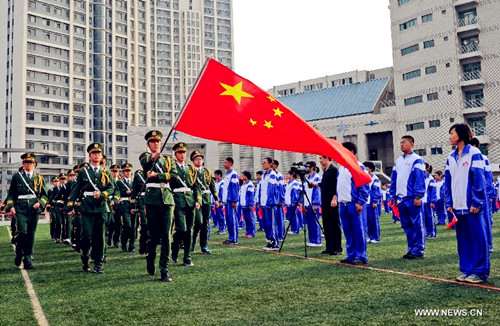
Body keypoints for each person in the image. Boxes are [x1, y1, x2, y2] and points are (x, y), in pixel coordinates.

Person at [445, 123, 490, 283]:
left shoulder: (474, 153)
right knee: (463, 241)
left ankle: (479, 272)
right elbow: (448, 182)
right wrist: (449, 202)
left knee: (478, 238)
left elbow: (478, 180)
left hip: (472, 207)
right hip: (458, 207)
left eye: (452, 133)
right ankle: (467, 269)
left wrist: (477, 202)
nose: (450, 136)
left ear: (461, 134)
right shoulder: (450, 157)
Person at [66, 144, 114, 274]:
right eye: (94, 153)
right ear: (90, 156)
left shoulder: (106, 172)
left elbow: (111, 188)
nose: (97, 155)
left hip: (102, 207)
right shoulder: (83, 172)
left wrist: (104, 194)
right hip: (87, 207)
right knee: (86, 235)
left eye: (99, 153)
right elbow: (76, 190)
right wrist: (70, 205)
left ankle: (98, 263)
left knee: (100, 237)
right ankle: (85, 259)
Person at [139, 130, 174, 282]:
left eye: (158, 141)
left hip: (167, 198)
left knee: (166, 235)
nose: (156, 144)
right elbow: (145, 164)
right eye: (153, 142)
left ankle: (164, 269)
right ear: (148, 144)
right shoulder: (145, 156)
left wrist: (157, 176)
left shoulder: (167, 160)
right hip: (152, 199)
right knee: (153, 235)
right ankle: (150, 257)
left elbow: (173, 175)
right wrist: (153, 158)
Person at [6, 153, 48, 270]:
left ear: (35, 165)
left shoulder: (39, 178)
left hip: (33, 209)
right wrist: (11, 206)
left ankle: (28, 259)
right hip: (20, 208)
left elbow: (45, 195)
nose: (28, 165)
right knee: (22, 232)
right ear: (23, 164)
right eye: (26, 162)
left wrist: (40, 203)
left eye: (31, 163)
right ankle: (19, 252)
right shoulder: (17, 177)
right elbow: (11, 194)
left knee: (30, 235)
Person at [390, 135, 426, 259]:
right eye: (400, 143)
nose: (401, 145)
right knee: (406, 225)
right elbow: (394, 179)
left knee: (416, 224)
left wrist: (418, 196)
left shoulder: (417, 160)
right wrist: (393, 196)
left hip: (412, 198)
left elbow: (420, 179)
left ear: (412, 144)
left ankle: (418, 249)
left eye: (404, 142)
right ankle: (411, 248)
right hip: (401, 199)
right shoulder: (398, 161)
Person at [336, 143, 370, 265]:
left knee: (358, 231)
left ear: (351, 152)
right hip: (344, 205)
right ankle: (351, 254)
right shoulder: (342, 168)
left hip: (354, 204)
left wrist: (360, 202)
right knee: (348, 231)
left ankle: (361, 256)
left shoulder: (358, 166)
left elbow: (364, 186)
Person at [170, 142, 201, 266]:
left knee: (189, 230)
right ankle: (175, 245)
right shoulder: (172, 168)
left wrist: (198, 200)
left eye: (184, 152)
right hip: (177, 201)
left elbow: (196, 186)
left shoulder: (191, 169)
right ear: (175, 154)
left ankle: (187, 257)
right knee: (181, 229)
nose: (182, 155)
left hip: (190, 201)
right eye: (179, 152)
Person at [191, 150, 219, 254]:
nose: (199, 161)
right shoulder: (191, 171)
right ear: (193, 161)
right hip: (195, 200)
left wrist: (216, 199)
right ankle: (192, 243)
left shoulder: (207, 171)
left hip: (206, 199)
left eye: (200, 159)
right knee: (197, 222)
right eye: (196, 159)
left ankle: (204, 245)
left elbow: (212, 186)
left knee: (205, 223)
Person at [471, 137, 494, 252]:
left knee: (485, 220)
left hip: (482, 195)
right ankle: (478, 245)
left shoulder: (482, 158)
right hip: (471, 195)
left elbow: (488, 177)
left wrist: (489, 194)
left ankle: (488, 245)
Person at [319, 156, 341, 255]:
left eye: (321, 158)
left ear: (327, 158)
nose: (320, 160)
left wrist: (334, 198)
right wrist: (315, 184)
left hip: (332, 201)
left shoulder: (333, 170)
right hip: (325, 200)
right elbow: (325, 184)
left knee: (334, 224)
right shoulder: (325, 171)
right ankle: (329, 247)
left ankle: (337, 247)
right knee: (327, 224)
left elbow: (336, 185)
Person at [258, 157, 279, 250]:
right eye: (263, 162)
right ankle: (269, 242)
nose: (263, 164)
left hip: (270, 204)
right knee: (266, 224)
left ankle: (274, 243)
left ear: (271, 164)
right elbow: (261, 190)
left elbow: (272, 190)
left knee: (271, 224)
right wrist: (260, 201)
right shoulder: (263, 175)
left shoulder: (272, 175)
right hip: (264, 203)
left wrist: (269, 202)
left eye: (265, 163)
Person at [116, 163, 136, 252]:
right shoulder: (119, 182)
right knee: (127, 225)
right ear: (123, 172)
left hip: (133, 204)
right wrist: (125, 191)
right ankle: (124, 243)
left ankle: (132, 245)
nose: (128, 173)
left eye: (129, 171)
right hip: (124, 204)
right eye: (126, 171)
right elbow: (117, 192)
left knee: (134, 226)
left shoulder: (134, 181)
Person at [303, 161, 322, 247]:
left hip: (313, 203)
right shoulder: (307, 178)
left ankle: (317, 240)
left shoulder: (317, 177)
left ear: (312, 167)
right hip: (307, 203)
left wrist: (316, 203)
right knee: (309, 223)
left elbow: (317, 191)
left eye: (308, 167)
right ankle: (312, 240)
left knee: (314, 222)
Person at [222, 157, 239, 245]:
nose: (224, 164)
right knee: (228, 220)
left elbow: (235, 188)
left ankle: (234, 238)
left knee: (233, 220)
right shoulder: (227, 174)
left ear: (230, 163)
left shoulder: (233, 174)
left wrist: (234, 200)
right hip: (227, 201)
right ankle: (230, 237)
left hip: (231, 201)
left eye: (225, 162)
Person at [363, 161, 381, 244]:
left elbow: (376, 191)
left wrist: (375, 201)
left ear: (370, 169)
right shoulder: (364, 177)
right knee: (367, 221)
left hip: (371, 202)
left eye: (365, 167)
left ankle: (376, 237)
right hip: (365, 203)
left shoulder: (375, 178)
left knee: (373, 220)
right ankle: (370, 236)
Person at [130, 169, 148, 254]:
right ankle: (143, 245)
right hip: (142, 202)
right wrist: (133, 206)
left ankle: (149, 244)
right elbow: (134, 191)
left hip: (154, 200)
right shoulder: (139, 175)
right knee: (144, 224)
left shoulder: (156, 172)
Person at [284, 170, 302, 235]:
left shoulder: (294, 182)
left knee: (294, 216)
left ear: (291, 175)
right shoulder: (289, 182)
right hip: (288, 202)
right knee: (290, 216)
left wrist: (294, 201)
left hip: (292, 202)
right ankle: (292, 228)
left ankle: (296, 230)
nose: (287, 175)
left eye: (288, 174)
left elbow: (295, 192)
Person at [239, 171, 256, 238]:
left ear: (246, 176)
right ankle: (248, 232)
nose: (242, 176)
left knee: (250, 219)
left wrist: (251, 204)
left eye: (243, 175)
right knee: (246, 219)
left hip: (248, 205)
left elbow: (251, 195)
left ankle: (252, 233)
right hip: (243, 205)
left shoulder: (250, 185)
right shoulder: (244, 184)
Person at [422, 163, 437, 239]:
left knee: (430, 217)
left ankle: (432, 233)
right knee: (424, 218)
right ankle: (426, 232)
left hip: (428, 201)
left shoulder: (430, 178)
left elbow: (433, 191)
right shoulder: (421, 178)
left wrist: (432, 201)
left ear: (427, 168)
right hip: (422, 201)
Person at [272, 160, 286, 240]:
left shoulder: (279, 175)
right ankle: (275, 235)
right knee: (274, 219)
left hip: (278, 201)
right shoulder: (270, 175)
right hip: (272, 201)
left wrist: (281, 199)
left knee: (279, 219)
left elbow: (281, 188)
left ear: (276, 166)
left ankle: (281, 235)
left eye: (273, 164)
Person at [214, 170, 226, 234]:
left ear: (219, 175)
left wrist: (220, 201)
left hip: (220, 201)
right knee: (218, 215)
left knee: (221, 215)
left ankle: (223, 229)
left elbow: (221, 192)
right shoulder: (216, 183)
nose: (215, 176)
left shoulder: (222, 183)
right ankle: (220, 228)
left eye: (216, 174)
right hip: (216, 202)